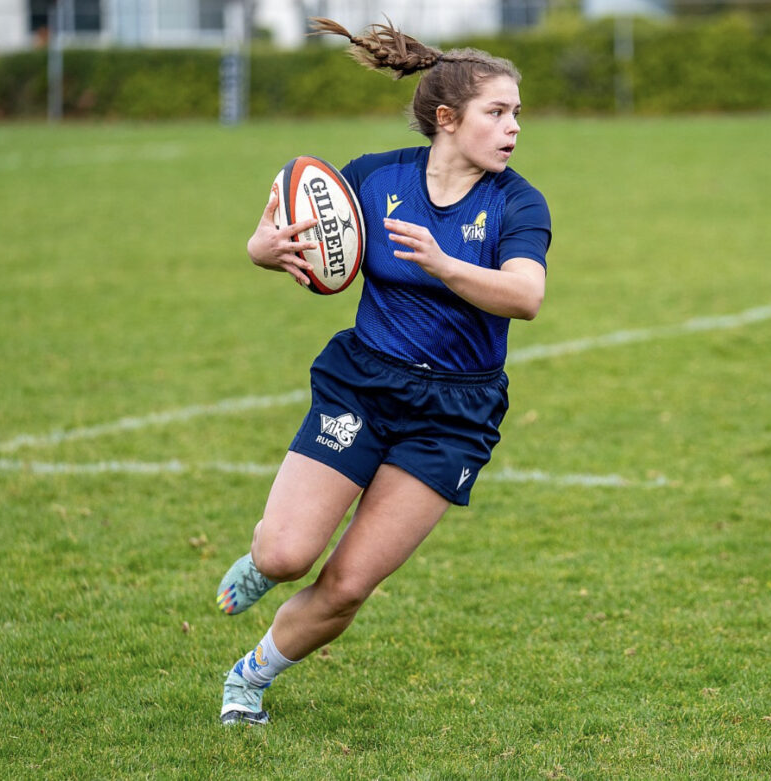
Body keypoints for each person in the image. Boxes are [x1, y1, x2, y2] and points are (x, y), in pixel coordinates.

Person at [215, 16, 551, 726]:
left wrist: (444, 263)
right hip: (365, 383)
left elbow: (526, 295)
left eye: (517, 113)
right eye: (498, 112)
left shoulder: (517, 201)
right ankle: (262, 564)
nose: (513, 126)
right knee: (286, 553)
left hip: (455, 415)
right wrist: (262, 247)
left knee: (346, 584)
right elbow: (279, 233)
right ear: (447, 118)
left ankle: (249, 678)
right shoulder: (374, 177)